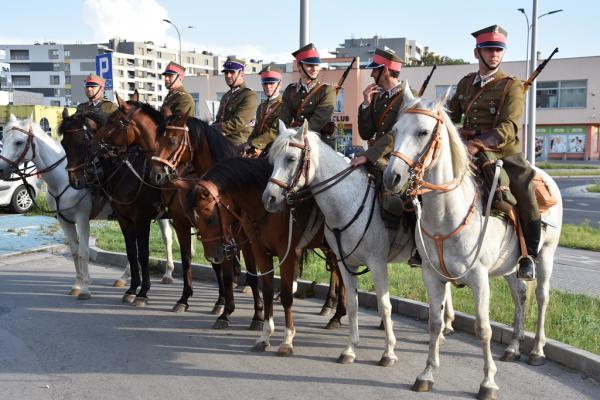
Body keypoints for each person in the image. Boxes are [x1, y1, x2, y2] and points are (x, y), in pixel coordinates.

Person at [447, 25, 540, 280]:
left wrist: (478, 144)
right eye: (489, 50)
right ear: (477, 53)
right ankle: (425, 247)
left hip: (502, 152)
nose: (494, 55)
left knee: (526, 188)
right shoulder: (466, 83)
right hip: (466, 150)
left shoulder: (512, 86)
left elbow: (509, 127)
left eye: (498, 50)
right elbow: (450, 114)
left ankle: (528, 256)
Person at [350, 48, 420, 267]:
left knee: (403, 196)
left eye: (375, 71)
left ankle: (415, 244)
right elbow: (365, 133)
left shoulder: (408, 96)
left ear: (387, 71)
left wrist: (368, 156)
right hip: (376, 154)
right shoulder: (378, 97)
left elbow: (395, 134)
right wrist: (366, 104)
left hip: (398, 157)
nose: (372, 75)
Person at [279, 43, 336, 147]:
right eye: (309, 65)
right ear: (299, 66)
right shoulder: (290, 90)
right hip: (294, 141)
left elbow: (318, 121)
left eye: (317, 65)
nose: (314, 69)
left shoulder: (327, 90)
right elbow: (284, 120)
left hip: (320, 143)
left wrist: (296, 136)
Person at [212, 57, 257, 145]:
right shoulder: (226, 95)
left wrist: (213, 128)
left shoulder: (249, 95)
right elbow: (218, 120)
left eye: (232, 72)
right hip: (221, 139)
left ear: (242, 74)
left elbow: (238, 123)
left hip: (237, 142)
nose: (228, 75)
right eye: (226, 72)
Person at [243, 65, 284, 156]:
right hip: (258, 148)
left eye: (272, 83)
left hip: (275, 151)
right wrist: (248, 144)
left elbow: (275, 132)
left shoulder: (284, 105)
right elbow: (257, 129)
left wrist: (254, 144)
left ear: (280, 84)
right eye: (265, 83)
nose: (268, 86)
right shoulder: (261, 107)